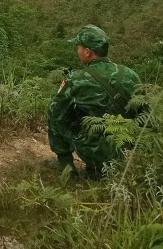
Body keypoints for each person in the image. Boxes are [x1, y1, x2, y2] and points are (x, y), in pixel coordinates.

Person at [47, 24, 142, 177]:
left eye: (78, 46)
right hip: (128, 151)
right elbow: (144, 114)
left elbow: (55, 112)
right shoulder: (131, 75)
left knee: (58, 112)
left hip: (96, 152)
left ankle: (66, 165)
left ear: (87, 52)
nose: (77, 51)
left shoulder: (76, 79)